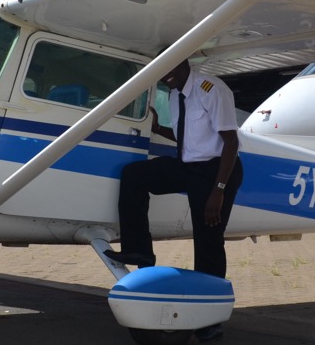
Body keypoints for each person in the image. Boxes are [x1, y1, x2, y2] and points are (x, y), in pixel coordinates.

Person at [104, 58, 244, 280]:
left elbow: (231, 142)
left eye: (171, 67)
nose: (166, 75)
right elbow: (188, 136)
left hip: (216, 169)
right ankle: (139, 250)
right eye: (161, 70)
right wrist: (159, 128)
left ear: (185, 64)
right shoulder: (173, 95)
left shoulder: (211, 89)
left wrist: (219, 189)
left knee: (208, 237)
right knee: (134, 175)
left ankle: (209, 292)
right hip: (187, 166)